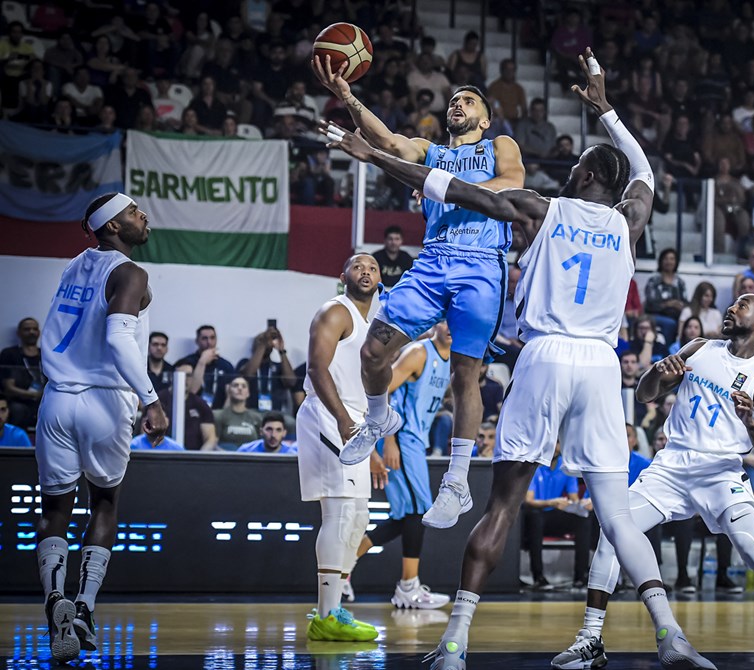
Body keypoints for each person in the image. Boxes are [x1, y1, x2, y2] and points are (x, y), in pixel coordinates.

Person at [325, 47, 684, 670]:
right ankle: (670, 635)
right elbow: (644, 169)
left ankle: (456, 642)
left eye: (575, 168)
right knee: (619, 513)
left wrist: (375, 157)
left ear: (582, 177)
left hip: (544, 358)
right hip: (602, 366)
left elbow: (452, 188)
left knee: (503, 504)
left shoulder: (542, 209)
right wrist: (607, 110)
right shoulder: (632, 219)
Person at [553, 294, 754, 670]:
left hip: (722, 470)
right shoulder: (699, 347)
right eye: (733, 304)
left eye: (743, 305)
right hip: (672, 465)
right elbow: (646, 395)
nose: (732, 308)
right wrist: (658, 373)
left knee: (752, 548)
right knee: (613, 530)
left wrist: (751, 423)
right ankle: (590, 639)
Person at [314, 52, 525, 530]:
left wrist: (439, 187)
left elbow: (511, 185)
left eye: (468, 100)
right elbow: (386, 140)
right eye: (453, 99)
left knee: (465, 376)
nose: (458, 104)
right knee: (372, 352)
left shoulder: (500, 144)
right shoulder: (431, 151)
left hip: (481, 265)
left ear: (484, 118)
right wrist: (348, 97)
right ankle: (379, 418)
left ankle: (455, 482)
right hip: (432, 260)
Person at [33, 193, 168, 663]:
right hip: (105, 399)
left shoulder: (74, 266)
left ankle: (54, 601)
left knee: (55, 509)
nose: (143, 216)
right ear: (112, 227)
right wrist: (151, 398)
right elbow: (117, 337)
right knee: (105, 501)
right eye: (134, 212)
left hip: (55, 400)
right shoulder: (130, 272)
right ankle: (86, 609)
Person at [296, 254, 386, 642]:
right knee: (340, 511)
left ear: (381, 280)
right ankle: (326, 615)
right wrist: (344, 421)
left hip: (355, 420)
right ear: (342, 276)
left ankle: (330, 611)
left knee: (358, 518)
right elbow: (317, 370)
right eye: (358, 266)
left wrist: (371, 438)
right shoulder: (335, 311)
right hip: (328, 414)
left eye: (373, 267)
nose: (366, 271)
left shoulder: (376, 323)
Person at [355, 322, 452, 609]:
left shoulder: (451, 358)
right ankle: (408, 587)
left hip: (415, 440)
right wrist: (390, 441)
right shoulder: (419, 353)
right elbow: (381, 390)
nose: (449, 326)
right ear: (435, 323)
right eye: (444, 319)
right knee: (418, 511)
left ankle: (344, 566)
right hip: (402, 438)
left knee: (406, 516)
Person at [523, 446, 591, 589]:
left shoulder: (565, 466)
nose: (554, 446)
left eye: (558, 442)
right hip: (534, 514)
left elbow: (573, 497)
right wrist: (551, 502)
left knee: (582, 520)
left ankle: (580, 577)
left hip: (555, 515)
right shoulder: (534, 464)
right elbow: (529, 501)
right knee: (536, 518)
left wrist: (581, 504)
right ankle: (538, 577)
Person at [156, 363, 218, 451]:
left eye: (188, 375)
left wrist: (198, 459)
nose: (184, 379)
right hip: (161, 455)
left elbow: (210, 439)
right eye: (180, 375)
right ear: (173, 377)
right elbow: (146, 434)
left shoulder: (200, 404)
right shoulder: (158, 400)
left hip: (193, 457)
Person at [238, 326, 296, 413]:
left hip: (275, 415)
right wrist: (262, 345)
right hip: (250, 413)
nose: (266, 343)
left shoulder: (278, 366)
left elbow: (291, 382)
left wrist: (281, 351)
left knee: (291, 423)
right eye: (261, 341)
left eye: (267, 341)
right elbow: (248, 375)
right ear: (254, 346)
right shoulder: (244, 363)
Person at [0, 317, 44, 428]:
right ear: (19, 333)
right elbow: (8, 387)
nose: (31, 332)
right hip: (18, 401)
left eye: (35, 329)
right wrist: (34, 395)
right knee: (18, 410)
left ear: (39, 332)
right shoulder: (9, 354)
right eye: (27, 329)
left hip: (43, 400)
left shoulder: (46, 354)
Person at [176, 325, 235, 409]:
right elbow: (192, 390)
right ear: (197, 341)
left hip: (218, 412)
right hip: (191, 411)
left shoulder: (226, 365)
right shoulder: (187, 362)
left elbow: (231, 395)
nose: (209, 342)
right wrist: (202, 362)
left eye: (212, 338)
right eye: (204, 338)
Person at [644, 248, 687, 346]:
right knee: (670, 324)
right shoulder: (654, 280)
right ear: (661, 261)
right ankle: (666, 352)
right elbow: (650, 305)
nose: (669, 262)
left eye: (672, 259)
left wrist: (679, 306)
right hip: (656, 315)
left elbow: (685, 302)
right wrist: (669, 304)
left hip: (677, 316)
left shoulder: (680, 282)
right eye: (666, 259)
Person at [214, 376, 263, 450]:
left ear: (248, 393)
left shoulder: (257, 417)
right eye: (235, 385)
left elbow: (262, 443)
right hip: (225, 458)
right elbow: (212, 443)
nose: (240, 388)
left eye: (244, 386)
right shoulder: (218, 415)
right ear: (229, 391)